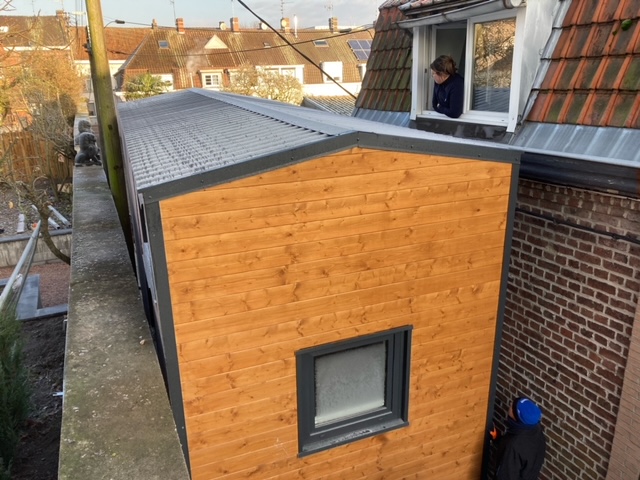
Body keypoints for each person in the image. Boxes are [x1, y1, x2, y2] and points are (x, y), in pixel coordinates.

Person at [491, 396, 546, 480]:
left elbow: (506, 475)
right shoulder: (536, 431)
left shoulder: (514, 445)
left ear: (516, 416)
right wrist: (498, 437)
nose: (510, 404)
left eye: (511, 406)